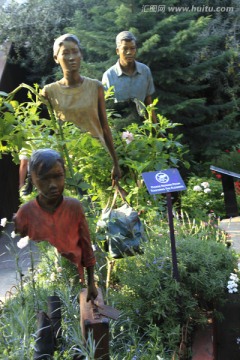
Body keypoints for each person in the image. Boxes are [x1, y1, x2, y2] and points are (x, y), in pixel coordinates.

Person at [14, 148, 98, 301]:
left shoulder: (74, 207)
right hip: (43, 287)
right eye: (44, 178)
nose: (52, 185)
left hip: (74, 283)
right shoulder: (26, 213)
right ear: (32, 179)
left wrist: (91, 282)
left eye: (58, 176)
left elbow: (86, 244)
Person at [41, 33, 121, 182]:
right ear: (56, 59)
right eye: (65, 53)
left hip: (99, 158)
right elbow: (45, 130)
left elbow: (105, 127)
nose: (71, 58)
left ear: (81, 54)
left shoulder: (95, 87)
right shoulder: (49, 92)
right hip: (70, 162)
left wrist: (115, 163)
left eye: (75, 51)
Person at [102, 30, 157, 128]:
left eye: (132, 48)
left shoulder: (145, 71)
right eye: (125, 49)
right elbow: (105, 107)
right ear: (117, 51)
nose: (129, 52)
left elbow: (149, 101)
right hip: (119, 130)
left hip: (142, 128)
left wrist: (156, 128)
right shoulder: (109, 76)